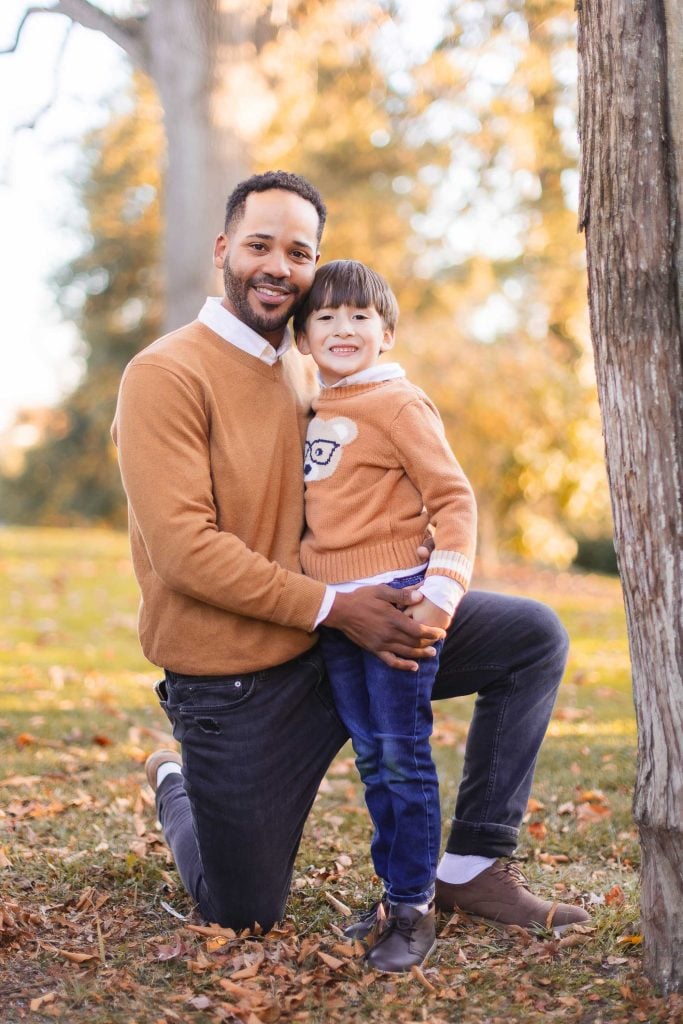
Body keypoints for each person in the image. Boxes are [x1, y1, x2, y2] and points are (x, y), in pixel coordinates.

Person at [111, 169, 589, 945]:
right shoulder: (165, 375)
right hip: (237, 681)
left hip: (341, 633)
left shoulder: (310, 368)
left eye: (298, 252)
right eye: (259, 245)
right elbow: (184, 553)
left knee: (529, 636)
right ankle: (176, 783)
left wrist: (411, 556)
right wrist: (337, 607)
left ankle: (469, 867)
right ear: (224, 248)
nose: (278, 266)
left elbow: (366, 475)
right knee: (243, 913)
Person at [293, 259, 477, 972]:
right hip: (341, 614)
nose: (343, 328)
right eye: (326, 318)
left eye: (360, 317)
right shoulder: (315, 406)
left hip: (398, 604)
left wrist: (441, 591)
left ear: (387, 333)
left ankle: (413, 908)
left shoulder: (399, 405)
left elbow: (454, 502)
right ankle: (391, 894)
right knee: (371, 758)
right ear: (304, 337)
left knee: (402, 755)